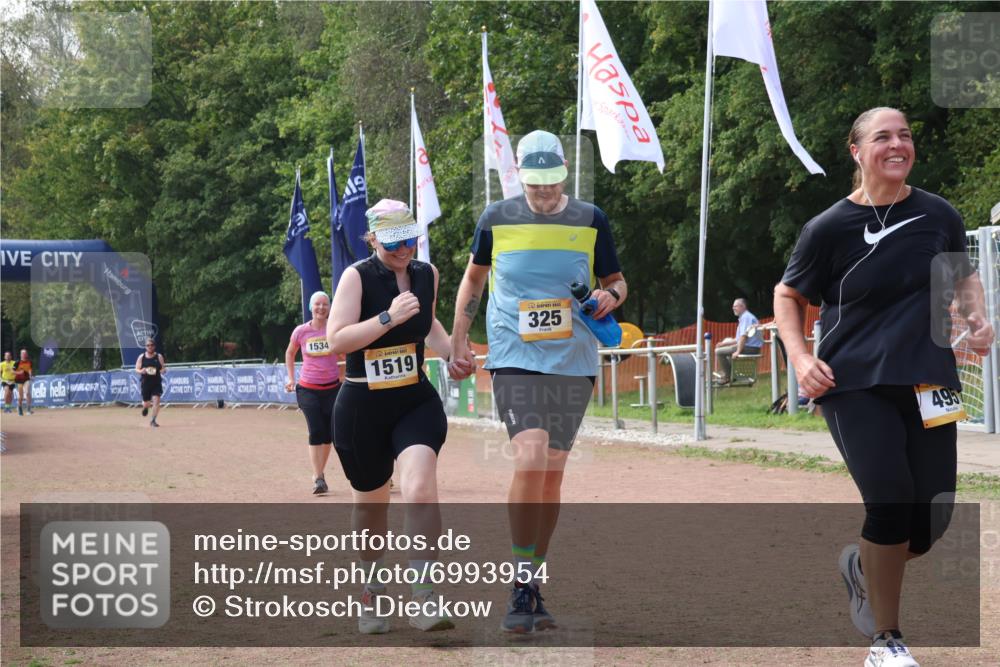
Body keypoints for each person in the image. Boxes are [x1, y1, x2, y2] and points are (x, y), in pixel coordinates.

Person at [774, 107, 994, 667]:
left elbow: (963, 275)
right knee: (890, 501)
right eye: (883, 137)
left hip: (930, 379)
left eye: (905, 135)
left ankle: (861, 564)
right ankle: (886, 641)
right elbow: (787, 295)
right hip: (854, 383)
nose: (898, 145)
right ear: (857, 151)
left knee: (932, 521)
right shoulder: (828, 227)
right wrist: (800, 357)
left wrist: (977, 317)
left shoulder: (939, 214)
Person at [449, 130, 627, 633]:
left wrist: (611, 297)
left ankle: (531, 582)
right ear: (520, 177)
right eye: (535, 184)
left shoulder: (591, 218)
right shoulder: (495, 218)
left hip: (573, 360)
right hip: (514, 354)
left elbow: (616, 281)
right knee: (530, 456)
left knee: (552, 474)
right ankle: (519, 580)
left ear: (564, 174)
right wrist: (460, 338)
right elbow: (474, 278)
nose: (545, 192)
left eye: (552, 183)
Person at [327, 199, 470, 634]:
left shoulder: (427, 274)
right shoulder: (356, 277)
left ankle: (424, 596)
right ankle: (372, 591)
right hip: (362, 406)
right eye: (393, 243)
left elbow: (428, 323)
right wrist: (388, 318)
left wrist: (452, 354)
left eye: (410, 239)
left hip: (413, 400)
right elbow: (337, 340)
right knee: (371, 508)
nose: (404, 249)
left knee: (420, 490)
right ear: (372, 239)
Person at [285, 290, 340, 495]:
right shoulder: (301, 331)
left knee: (329, 434)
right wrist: (291, 378)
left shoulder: (334, 329)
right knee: (316, 430)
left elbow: (345, 352)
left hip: (333, 388)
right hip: (308, 388)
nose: (321, 308)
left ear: (330, 308)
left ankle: (319, 473)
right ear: (311, 307)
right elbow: (290, 353)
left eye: (325, 304)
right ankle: (318, 478)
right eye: (317, 304)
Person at [714, 298, 763, 383]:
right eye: (733, 306)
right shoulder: (745, 317)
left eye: (735, 306)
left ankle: (728, 376)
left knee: (719, 352)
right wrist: (723, 344)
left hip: (750, 348)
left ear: (742, 306)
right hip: (749, 346)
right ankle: (730, 373)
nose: (733, 308)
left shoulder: (746, 317)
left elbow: (744, 336)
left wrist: (738, 351)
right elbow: (738, 339)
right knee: (722, 349)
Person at [135, 338, 166, 427]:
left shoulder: (159, 356)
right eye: (148, 345)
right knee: (146, 403)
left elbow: (163, 368)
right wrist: (141, 371)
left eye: (151, 345)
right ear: (145, 347)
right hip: (146, 383)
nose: (150, 347)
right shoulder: (142, 357)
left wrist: (161, 371)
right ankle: (145, 408)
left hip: (156, 382)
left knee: (156, 401)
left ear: (154, 346)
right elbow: (136, 369)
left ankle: (153, 420)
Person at [14, 349, 34, 415]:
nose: (24, 355)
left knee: (27, 392)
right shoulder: (17, 362)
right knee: (21, 396)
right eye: (22, 354)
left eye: (25, 353)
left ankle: (28, 410)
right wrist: (19, 372)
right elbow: (12, 371)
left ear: (27, 354)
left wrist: (30, 375)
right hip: (19, 381)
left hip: (26, 379)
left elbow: (30, 370)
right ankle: (19, 407)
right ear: (20, 355)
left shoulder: (29, 362)